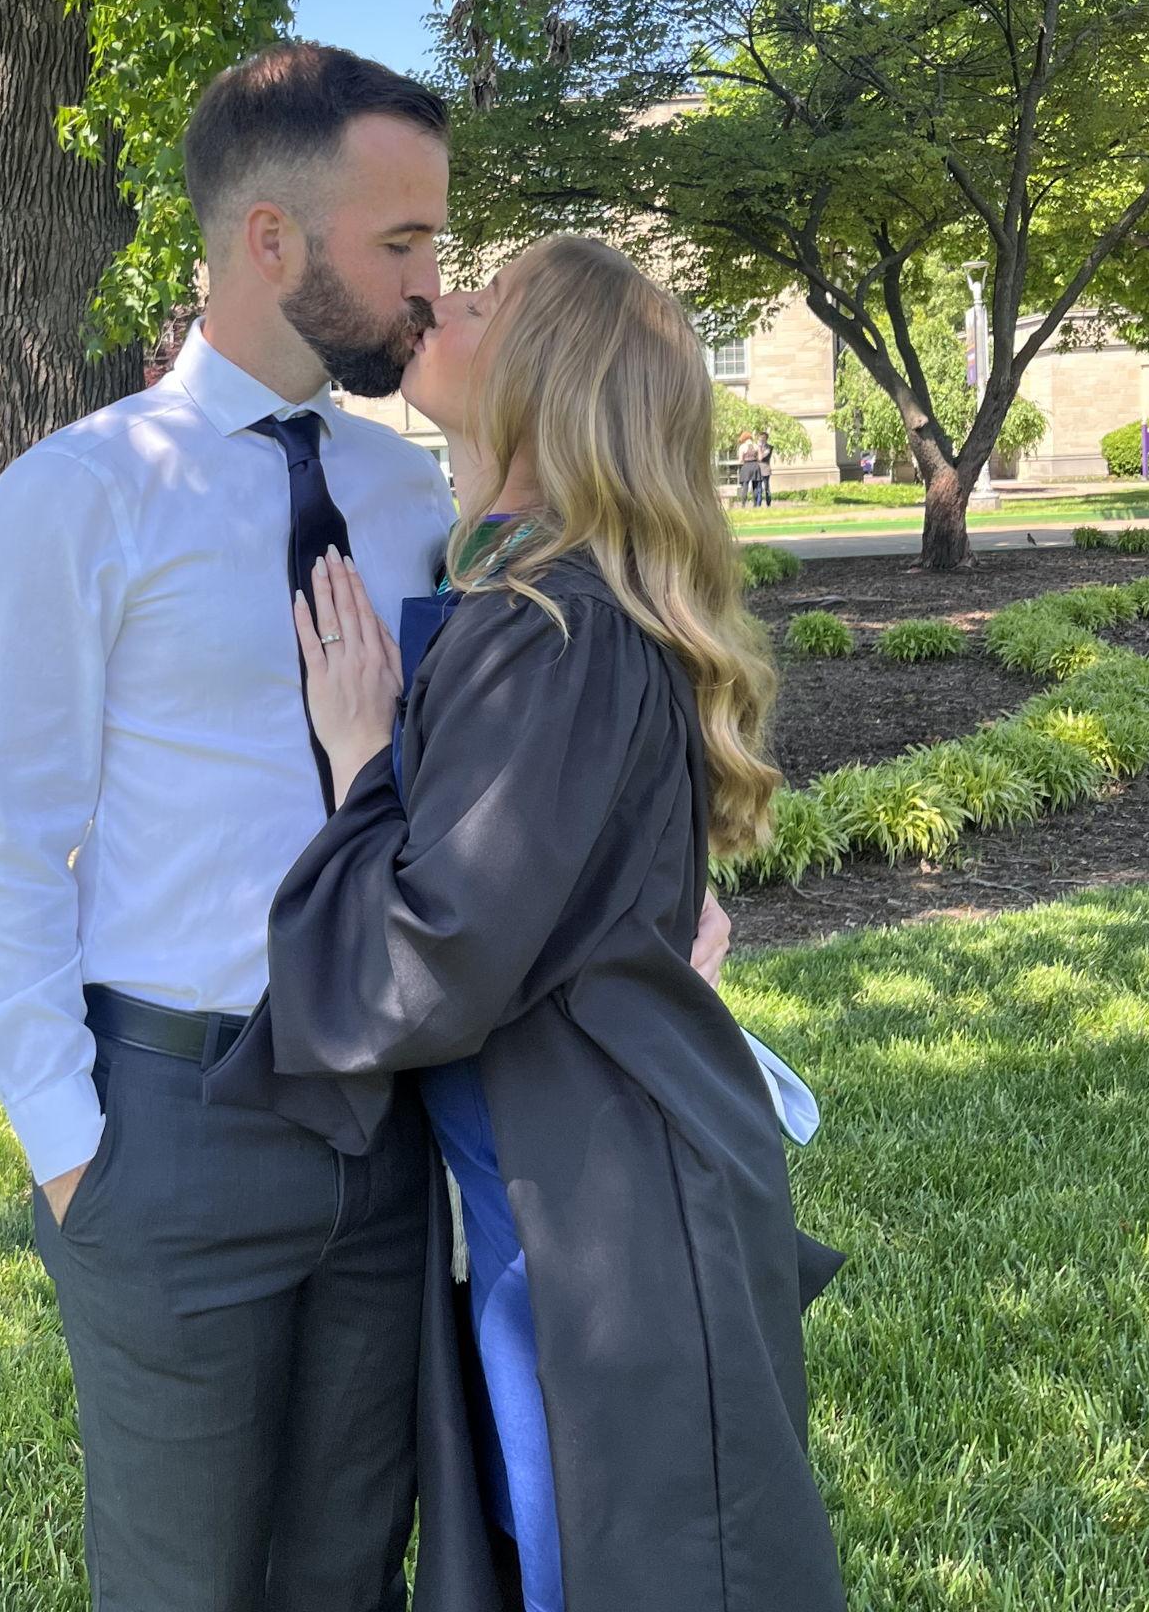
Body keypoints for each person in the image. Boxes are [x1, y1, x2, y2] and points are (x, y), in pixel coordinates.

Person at [0, 46, 733, 1611]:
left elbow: (504, 776)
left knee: (351, 1573)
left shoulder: (415, 494)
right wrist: (66, 1145)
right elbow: (11, 836)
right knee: (183, 1586)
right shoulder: (79, 494)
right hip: (173, 1122)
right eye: (403, 244)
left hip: (384, 1132)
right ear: (272, 240)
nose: (432, 286)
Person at [239, 234, 847, 1612]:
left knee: (623, 1568)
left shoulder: (550, 625)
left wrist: (361, 758)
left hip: (601, 1223)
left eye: (485, 297)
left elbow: (431, 957)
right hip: (566, 1184)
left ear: (548, 374)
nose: (438, 298)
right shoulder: (543, 598)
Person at [735, 428, 759, 503]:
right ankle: (755, 504)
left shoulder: (742, 447)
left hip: (746, 466)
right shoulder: (756, 446)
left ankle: (743, 504)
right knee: (755, 486)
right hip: (755, 465)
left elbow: (740, 460)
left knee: (745, 486)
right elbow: (759, 457)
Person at [755, 425, 776, 505]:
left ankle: (768, 503)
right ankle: (758, 503)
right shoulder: (756, 446)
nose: (761, 439)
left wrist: (760, 448)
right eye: (760, 438)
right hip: (758, 468)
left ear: (766, 438)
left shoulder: (768, 447)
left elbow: (760, 458)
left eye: (763, 438)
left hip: (765, 468)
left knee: (766, 487)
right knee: (759, 487)